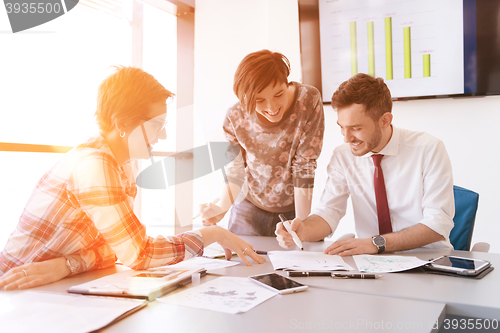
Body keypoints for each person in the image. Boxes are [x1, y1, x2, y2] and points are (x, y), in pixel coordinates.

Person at [0, 66, 265, 291]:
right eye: (155, 126)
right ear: (122, 124)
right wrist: (213, 233)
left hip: (51, 286)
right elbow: (140, 254)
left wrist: (68, 264)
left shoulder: (121, 163)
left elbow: (115, 248)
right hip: (16, 286)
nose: (161, 137)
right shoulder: (94, 165)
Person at [276, 73, 455, 255]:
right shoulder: (343, 156)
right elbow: (329, 211)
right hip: (372, 265)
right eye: (342, 127)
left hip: (427, 261)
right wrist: (302, 230)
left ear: (385, 121)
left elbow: (438, 223)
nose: (346, 138)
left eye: (356, 128)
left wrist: (376, 243)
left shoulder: (428, 149)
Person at [198, 50, 325, 236]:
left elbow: (304, 166)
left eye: (278, 94)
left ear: (286, 82)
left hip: (293, 208)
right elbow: (236, 171)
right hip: (248, 207)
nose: (272, 107)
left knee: (296, 261)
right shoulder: (235, 117)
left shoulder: (308, 99)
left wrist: (302, 225)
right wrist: (221, 209)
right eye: (259, 100)